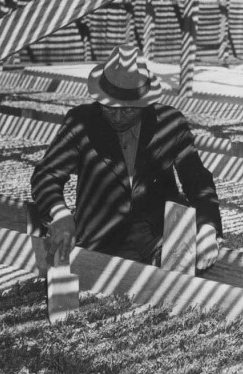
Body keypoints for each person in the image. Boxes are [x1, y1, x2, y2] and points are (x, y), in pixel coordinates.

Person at [31, 44, 223, 270]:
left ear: (145, 103)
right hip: (101, 237)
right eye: (110, 108)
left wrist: (208, 230)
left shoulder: (170, 124)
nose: (118, 117)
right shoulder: (82, 122)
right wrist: (60, 214)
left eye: (128, 109)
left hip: (157, 235)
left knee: (179, 273)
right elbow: (46, 175)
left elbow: (197, 181)